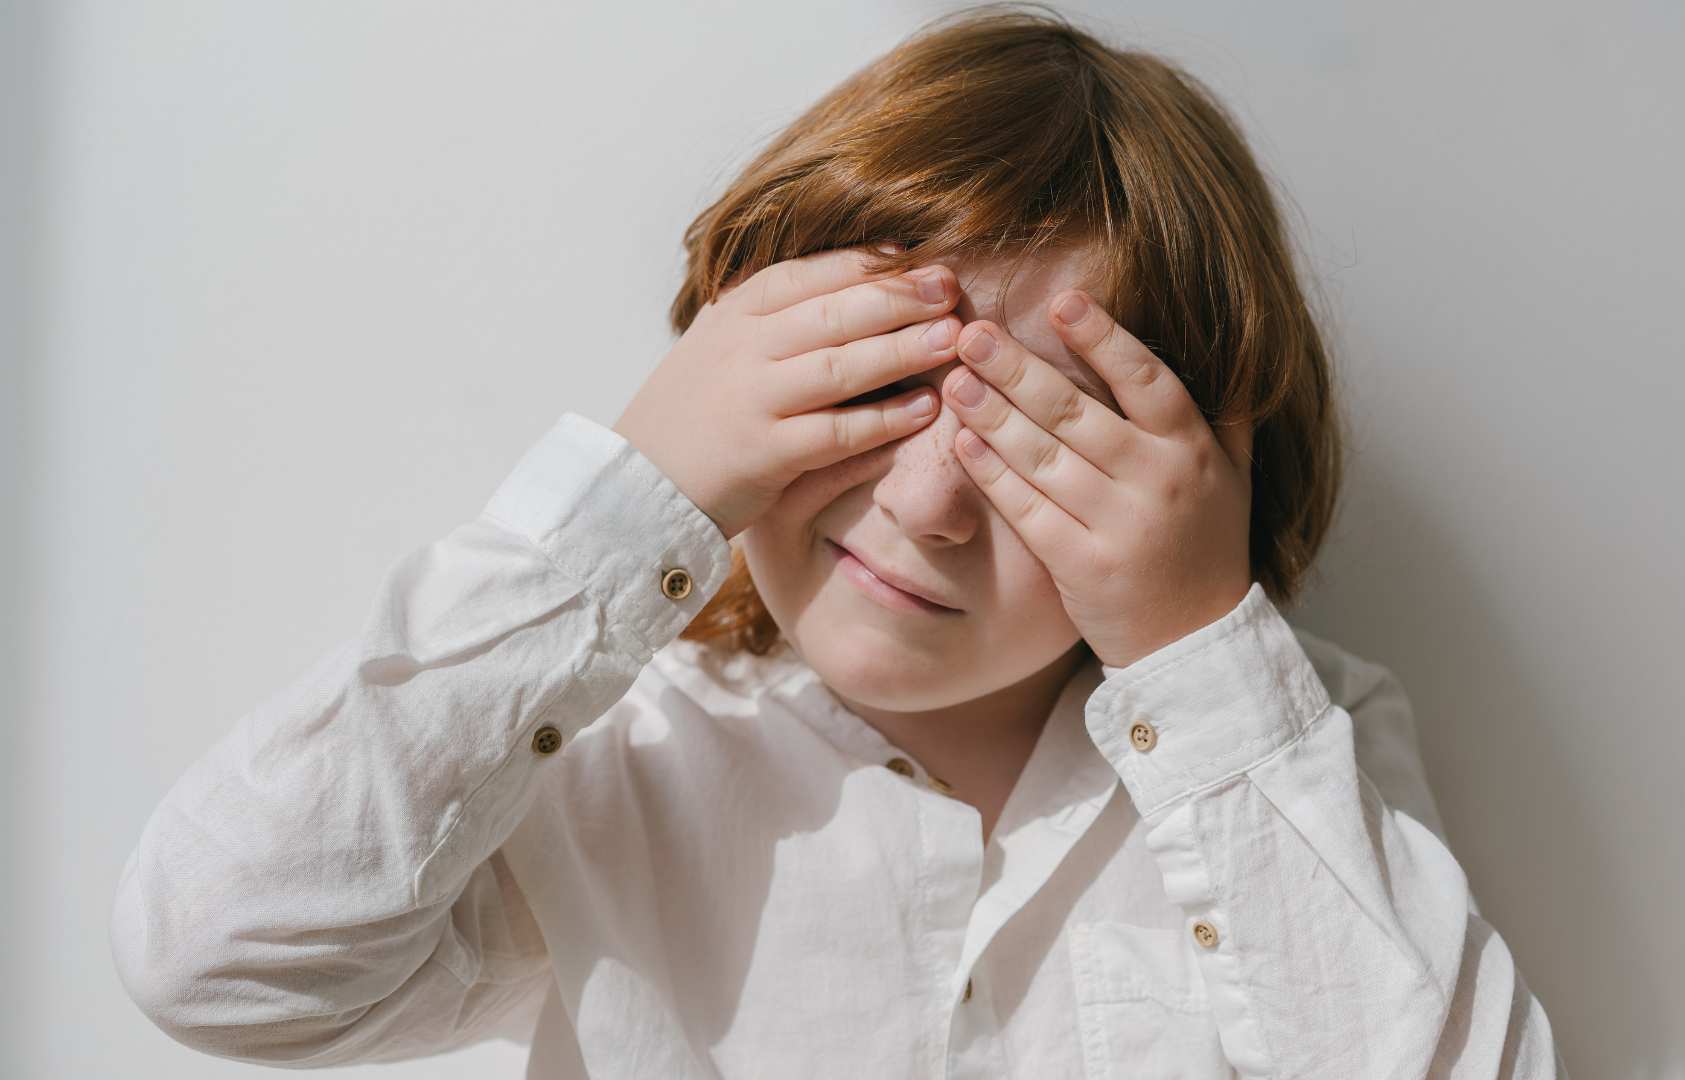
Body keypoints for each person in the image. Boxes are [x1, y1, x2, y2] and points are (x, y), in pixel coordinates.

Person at [110, 5, 1566, 1077]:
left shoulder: (1299, 745)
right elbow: (221, 960)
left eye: (1041, 443)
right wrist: (639, 496)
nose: (928, 504)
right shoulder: (620, 756)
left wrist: (1196, 648)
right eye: (875, 390)